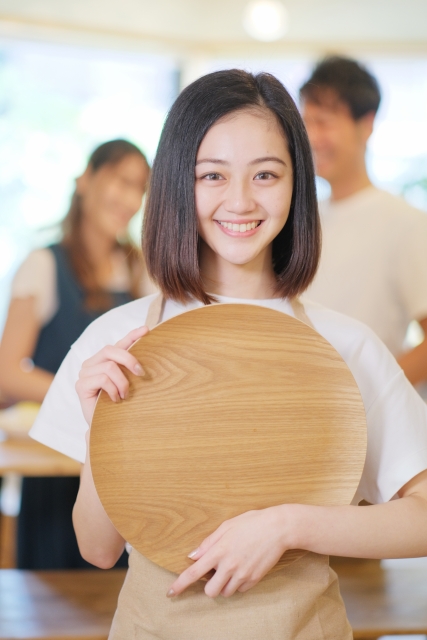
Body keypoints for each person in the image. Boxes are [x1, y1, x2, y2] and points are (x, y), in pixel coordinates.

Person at [30, 71, 427, 639]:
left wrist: (289, 527)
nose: (240, 200)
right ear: (176, 184)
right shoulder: (114, 341)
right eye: (211, 175)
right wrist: (106, 430)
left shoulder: (345, 346)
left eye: (266, 174)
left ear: (297, 184)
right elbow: (96, 548)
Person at [0, 138, 156, 569]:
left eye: (138, 188)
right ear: (85, 180)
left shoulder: (139, 268)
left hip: (115, 461)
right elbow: (6, 372)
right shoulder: (43, 264)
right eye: (120, 181)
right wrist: (82, 393)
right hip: (56, 458)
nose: (128, 198)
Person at [300, 56, 427, 397]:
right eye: (305, 122)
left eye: (324, 122)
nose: (311, 137)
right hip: (303, 413)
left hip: (365, 425)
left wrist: (366, 393)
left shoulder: (406, 223)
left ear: (366, 124)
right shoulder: (302, 220)